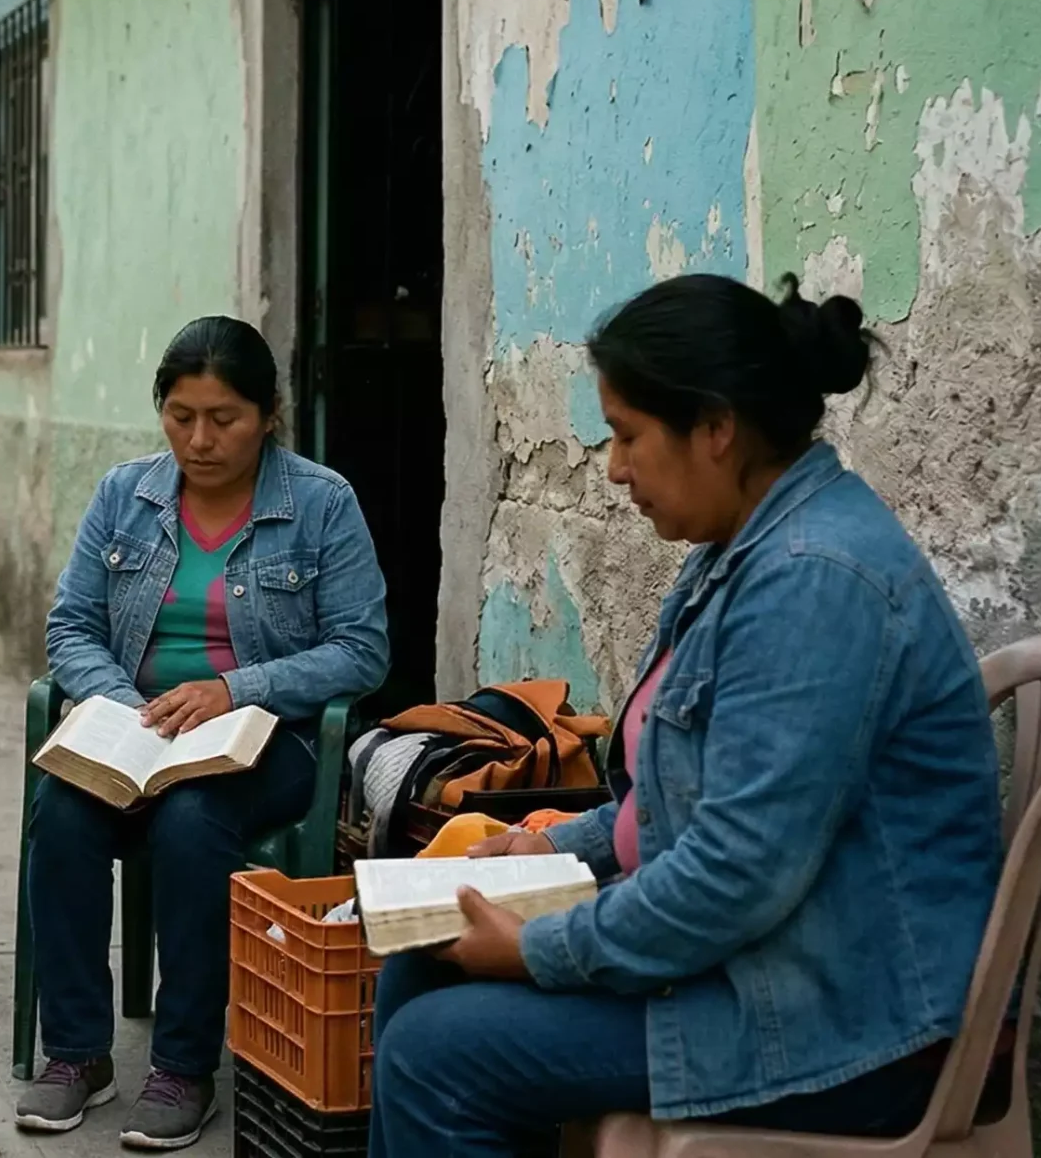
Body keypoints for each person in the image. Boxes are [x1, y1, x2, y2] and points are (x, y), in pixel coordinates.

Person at [366, 275, 1002, 1155]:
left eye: (628, 435)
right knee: (414, 974)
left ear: (714, 427)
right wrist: (549, 847)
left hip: (845, 1018)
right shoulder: (738, 553)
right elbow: (672, 801)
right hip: (757, 962)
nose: (616, 467)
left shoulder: (814, 580)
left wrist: (543, 944)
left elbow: (736, 871)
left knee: (436, 1057)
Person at [19, 316, 389, 1151]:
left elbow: (362, 651)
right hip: (138, 734)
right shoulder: (127, 494)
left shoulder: (322, 504)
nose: (200, 438)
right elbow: (71, 623)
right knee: (64, 814)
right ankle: (76, 1053)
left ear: (269, 413)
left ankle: (184, 1065)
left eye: (223, 418)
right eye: (181, 415)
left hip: (263, 742)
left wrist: (232, 689)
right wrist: (123, 708)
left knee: (193, 823)